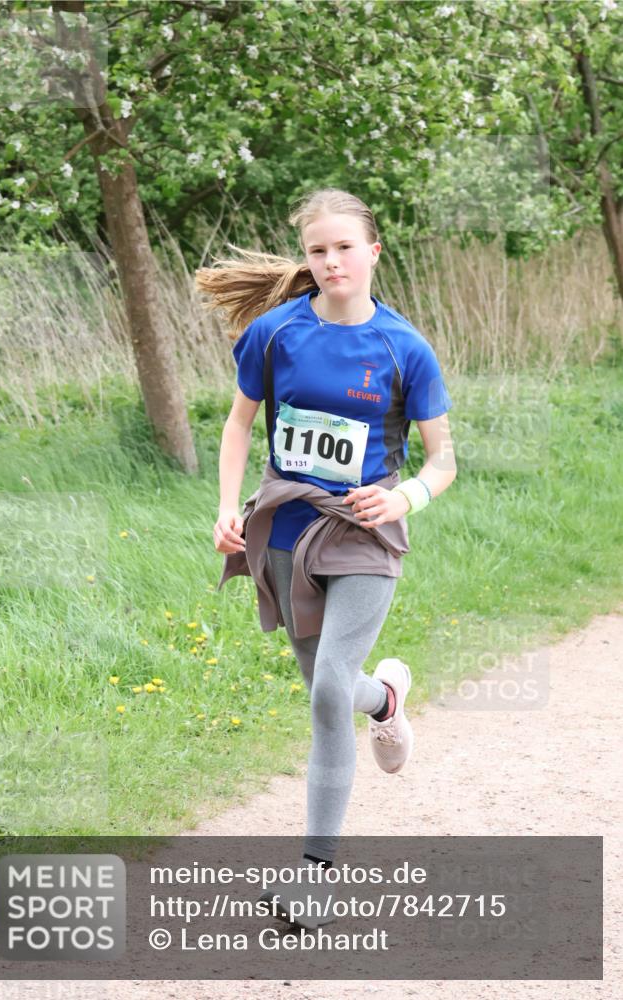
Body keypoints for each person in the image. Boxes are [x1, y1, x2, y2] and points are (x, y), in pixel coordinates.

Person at [195, 187, 457, 930]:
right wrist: (226, 508)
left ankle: (314, 876)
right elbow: (238, 427)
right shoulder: (275, 334)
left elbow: (442, 462)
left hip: (364, 534)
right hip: (283, 532)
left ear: (373, 252)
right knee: (333, 688)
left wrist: (405, 499)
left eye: (344, 246)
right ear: (305, 259)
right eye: (317, 249)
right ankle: (388, 700)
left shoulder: (405, 347)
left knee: (322, 694)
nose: (331, 260)